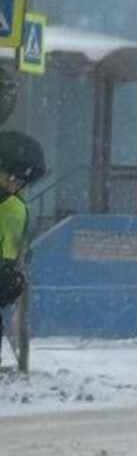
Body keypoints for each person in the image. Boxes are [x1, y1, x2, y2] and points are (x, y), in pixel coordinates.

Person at [0, 132, 46, 363]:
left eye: (21, 179)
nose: (16, 182)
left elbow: (15, 256)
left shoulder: (15, 209)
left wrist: (12, 274)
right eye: (11, 175)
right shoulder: (14, 208)